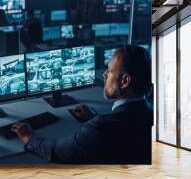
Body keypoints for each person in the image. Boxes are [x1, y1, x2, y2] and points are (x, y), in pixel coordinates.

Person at [11, 45, 153, 164]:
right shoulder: (152, 113)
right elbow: (119, 134)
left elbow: (57, 151)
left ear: (125, 81)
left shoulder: (101, 127)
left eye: (109, 71)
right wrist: (93, 118)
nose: (104, 75)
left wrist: (28, 137)